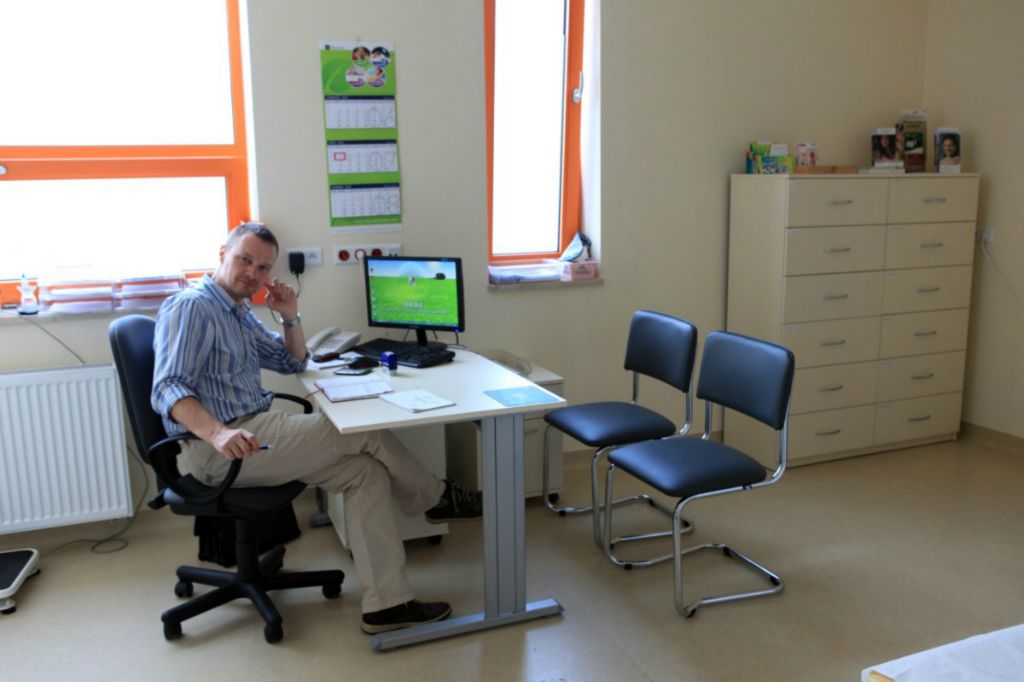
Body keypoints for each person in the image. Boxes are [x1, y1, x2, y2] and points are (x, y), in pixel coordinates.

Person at [151, 221, 482, 634]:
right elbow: (167, 387)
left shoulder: (237, 311)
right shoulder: (192, 307)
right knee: (362, 428)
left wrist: (290, 316)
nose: (252, 273)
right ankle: (436, 497)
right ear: (223, 254)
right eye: (244, 259)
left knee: (366, 473)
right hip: (219, 448)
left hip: (257, 431)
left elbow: (292, 361)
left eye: (262, 267)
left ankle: (387, 606)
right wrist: (218, 433)